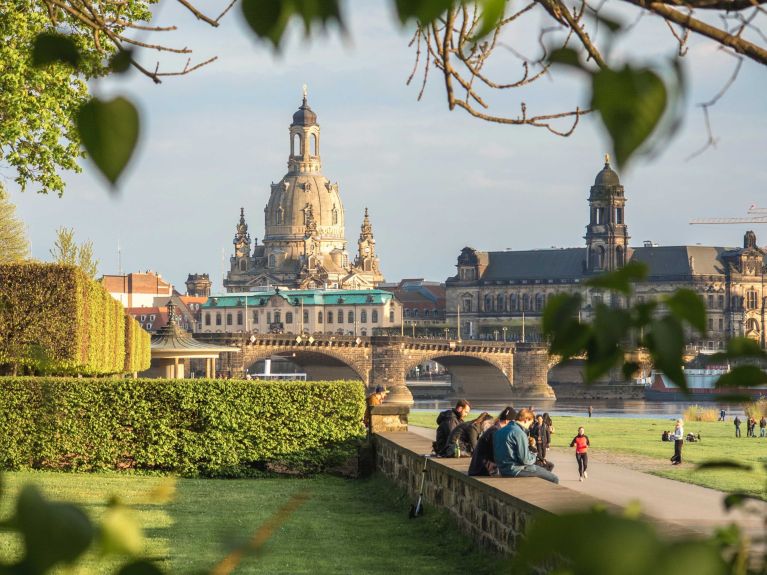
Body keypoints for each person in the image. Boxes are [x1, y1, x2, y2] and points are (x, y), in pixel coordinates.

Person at [493, 408, 559, 484]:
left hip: (503, 470)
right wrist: (534, 456)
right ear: (526, 419)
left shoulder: (500, 431)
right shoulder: (519, 433)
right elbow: (525, 460)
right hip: (516, 470)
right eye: (530, 423)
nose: (529, 426)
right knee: (554, 478)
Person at [468, 407, 516, 476]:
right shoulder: (496, 432)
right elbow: (497, 455)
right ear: (507, 421)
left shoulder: (494, 429)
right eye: (513, 423)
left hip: (478, 468)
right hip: (481, 470)